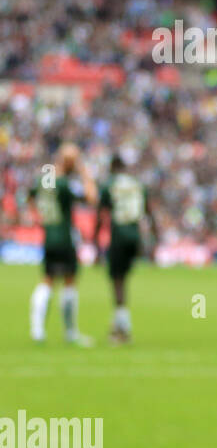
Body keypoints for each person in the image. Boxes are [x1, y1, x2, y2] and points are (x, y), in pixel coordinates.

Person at [29, 143, 96, 346]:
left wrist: (41, 219)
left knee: (47, 280)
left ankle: (37, 330)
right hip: (65, 238)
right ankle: (70, 332)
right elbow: (91, 199)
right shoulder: (66, 184)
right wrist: (85, 174)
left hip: (49, 236)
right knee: (68, 282)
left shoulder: (45, 178)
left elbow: (32, 197)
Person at [93, 155, 154, 344]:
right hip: (135, 237)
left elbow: (101, 215)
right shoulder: (137, 185)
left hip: (119, 235)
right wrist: (154, 240)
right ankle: (117, 325)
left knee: (117, 281)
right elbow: (149, 213)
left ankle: (123, 329)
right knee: (123, 280)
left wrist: (96, 243)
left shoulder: (110, 185)